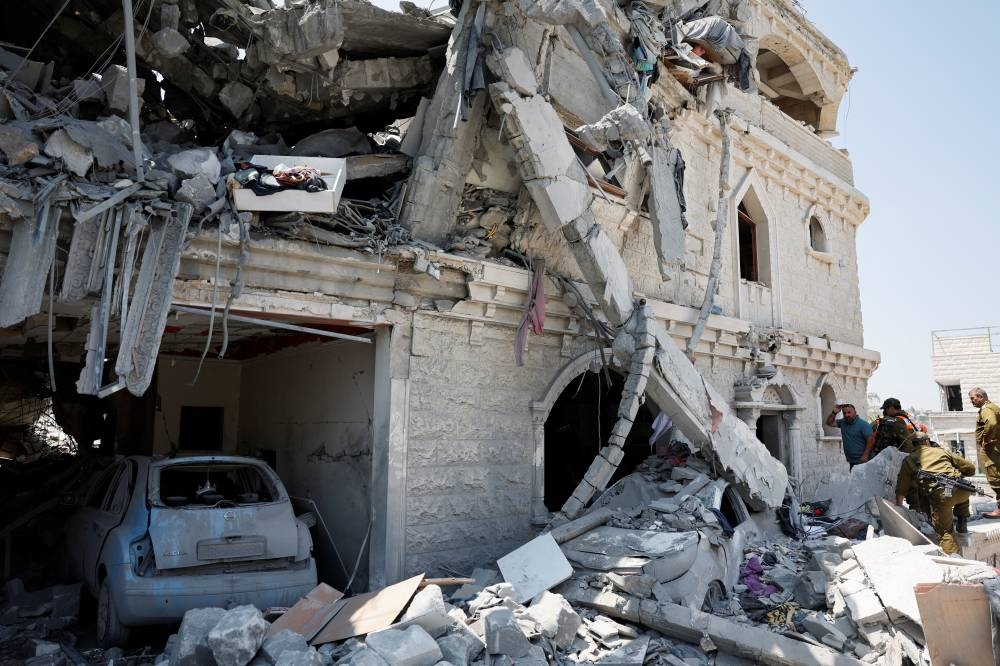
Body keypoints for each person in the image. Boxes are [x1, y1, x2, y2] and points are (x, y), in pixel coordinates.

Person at [895, 432, 975, 555]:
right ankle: (962, 521)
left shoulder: (909, 460)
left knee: (945, 532)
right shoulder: (942, 451)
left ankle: (956, 560)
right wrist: (961, 474)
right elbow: (970, 468)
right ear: (927, 441)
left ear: (913, 445)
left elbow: (902, 488)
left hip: (943, 495)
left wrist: (898, 507)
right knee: (961, 492)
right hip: (963, 491)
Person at [860, 397, 921, 462]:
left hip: (897, 459)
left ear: (891, 408)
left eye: (885, 409)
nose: (884, 412)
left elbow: (907, 443)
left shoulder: (893, 421)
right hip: (914, 455)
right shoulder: (909, 418)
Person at [970, 387, 1000, 519]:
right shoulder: (991, 407)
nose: (972, 401)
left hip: (992, 450)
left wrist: (985, 440)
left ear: (981, 397)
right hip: (995, 448)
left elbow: (992, 423)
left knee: (995, 479)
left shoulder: (987, 409)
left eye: (973, 398)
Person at [825, 404, 872, 469]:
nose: (847, 415)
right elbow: (829, 423)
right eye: (844, 413)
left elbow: (871, 440)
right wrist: (834, 412)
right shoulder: (843, 422)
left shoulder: (863, 425)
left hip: (862, 461)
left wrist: (865, 455)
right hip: (852, 461)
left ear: (855, 412)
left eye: (849, 412)